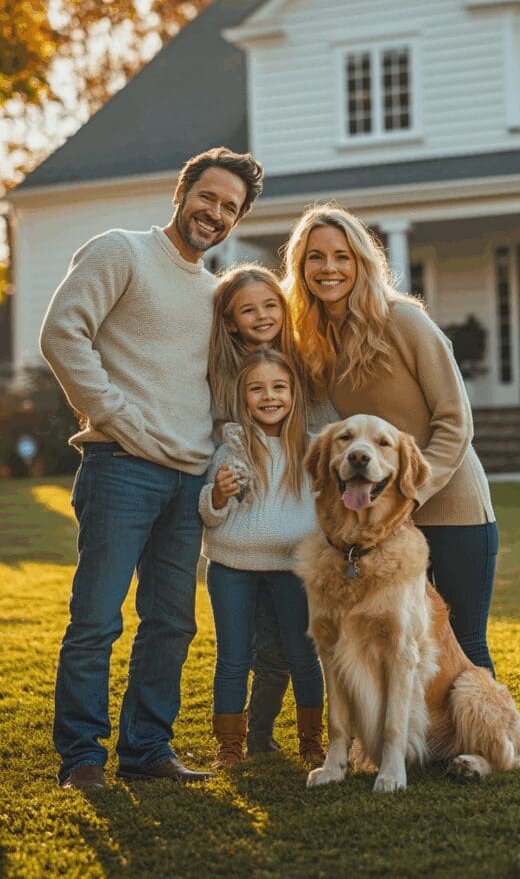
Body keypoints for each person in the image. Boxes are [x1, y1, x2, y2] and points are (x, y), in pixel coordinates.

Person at [39, 146, 264, 790]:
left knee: (171, 622)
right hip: (121, 467)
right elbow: (62, 333)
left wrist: (225, 454)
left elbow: (218, 386)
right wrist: (115, 416)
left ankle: (146, 751)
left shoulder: (215, 293)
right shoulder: (122, 252)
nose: (215, 213)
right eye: (208, 197)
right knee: (98, 619)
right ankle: (82, 758)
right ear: (181, 192)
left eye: (230, 207)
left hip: (189, 479)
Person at [282, 204, 499, 674]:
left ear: (362, 262)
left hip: (452, 506)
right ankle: (414, 747)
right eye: (315, 258)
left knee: (461, 644)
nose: (329, 268)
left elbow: (455, 421)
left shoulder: (404, 322)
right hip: (378, 521)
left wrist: (410, 497)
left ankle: (490, 747)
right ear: (301, 269)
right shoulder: (316, 342)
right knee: (399, 648)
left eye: (342, 256)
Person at [200, 349, 325, 769]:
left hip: (292, 568)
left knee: (301, 654)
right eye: (257, 388)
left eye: (278, 387)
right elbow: (208, 511)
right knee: (233, 657)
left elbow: (326, 511)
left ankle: (311, 740)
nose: (269, 396)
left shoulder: (310, 451)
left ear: (294, 394)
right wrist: (218, 494)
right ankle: (230, 745)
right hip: (231, 567)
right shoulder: (232, 448)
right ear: (242, 396)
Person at [209, 265, 301, 754]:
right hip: (237, 539)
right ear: (230, 321)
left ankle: (263, 733)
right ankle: (233, 741)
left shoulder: (299, 366)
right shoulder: (222, 377)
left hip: (289, 550)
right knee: (235, 654)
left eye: (271, 305)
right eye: (248, 309)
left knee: (282, 652)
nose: (263, 316)